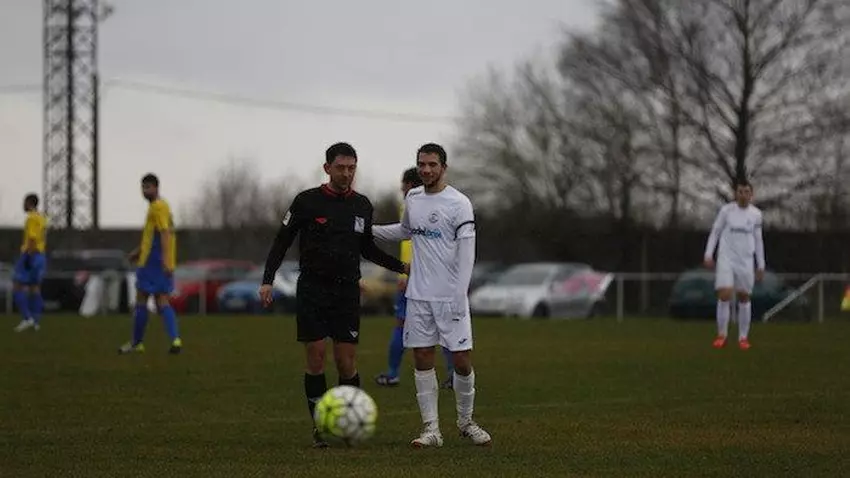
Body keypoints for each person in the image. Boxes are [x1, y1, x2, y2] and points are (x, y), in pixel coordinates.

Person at [258, 142, 409, 448]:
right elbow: (282, 240)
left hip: (346, 291)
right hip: (313, 289)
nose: (346, 173)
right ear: (327, 168)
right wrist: (267, 280)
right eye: (340, 168)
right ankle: (320, 426)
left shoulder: (362, 205)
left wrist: (402, 267)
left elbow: (368, 249)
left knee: (345, 362)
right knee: (316, 357)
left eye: (352, 168)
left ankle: (348, 422)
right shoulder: (306, 201)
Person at [372, 143, 491, 447]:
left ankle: (466, 422)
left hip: (451, 297)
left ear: (443, 168)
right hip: (419, 296)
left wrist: (459, 294)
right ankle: (431, 430)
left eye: (432, 165)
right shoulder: (413, 198)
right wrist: (370, 231)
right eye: (422, 164)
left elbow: (467, 253)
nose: (426, 170)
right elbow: (404, 231)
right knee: (422, 357)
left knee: (461, 360)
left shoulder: (459, 203)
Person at [374, 167, 455, 389]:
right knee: (444, 326)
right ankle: (453, 374)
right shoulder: (434, 204)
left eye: (403, 184)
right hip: (433, 277)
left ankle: (393, 373)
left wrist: (406, 272)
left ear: (410, 185)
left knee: (404, 325)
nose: (401, 189)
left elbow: (411, 240)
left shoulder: (413, 204)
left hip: (414, 277)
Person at [119, 174, 182, 355]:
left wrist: (165, 260)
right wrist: (138, 252)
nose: (145, 191)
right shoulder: (163, 206)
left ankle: (137, 343)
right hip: (154, 259)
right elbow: (153, 236)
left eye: (148, 187)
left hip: (152, 262)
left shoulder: (157, 207)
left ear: (156, 187)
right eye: (143, 187)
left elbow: (164, 233)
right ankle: (175, 339)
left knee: (142, 299)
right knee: (162, 301)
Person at [703, 178, 765, 350]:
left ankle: (743, 338)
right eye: (740, 192)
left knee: (744, 296)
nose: (743, 195)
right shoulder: (726, 211)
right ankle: (721, 335)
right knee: (725, 294)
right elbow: (715, 232)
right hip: (726, 258)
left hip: (746, 260)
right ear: (735, 194)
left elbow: (758, 240)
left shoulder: (756, 215)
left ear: (751, 194)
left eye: (746, 192)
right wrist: (708, 254)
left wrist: (761, 264)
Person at [13, 194, 48, 332]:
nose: (23, 205)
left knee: (17, 286)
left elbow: (32, 238)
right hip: (41, 255)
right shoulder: (42, 217)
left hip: (31, 254)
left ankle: (27, 318)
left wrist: (28, 256)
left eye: (25, 202)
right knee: (34, 288)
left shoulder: (31, 218)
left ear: (29, 203)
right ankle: (36, 322)